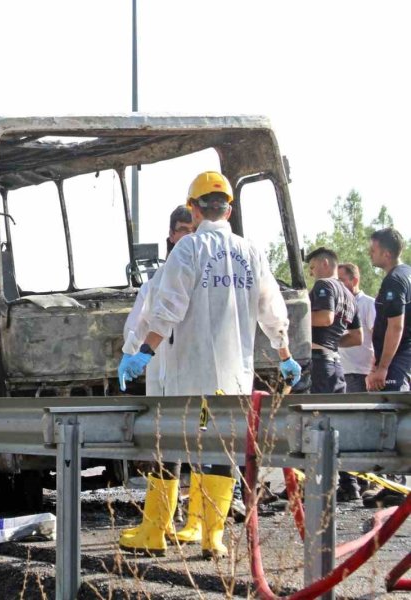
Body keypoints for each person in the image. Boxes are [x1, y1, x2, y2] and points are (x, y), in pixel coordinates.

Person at [117, 171, 300, 559]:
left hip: (186, 376)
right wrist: (284, 355)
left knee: (169, 445)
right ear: (228, 209)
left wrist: (143, 353)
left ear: (194, 209)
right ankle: (211, 537)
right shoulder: (251, 252)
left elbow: (167, 312)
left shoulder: (189, 250)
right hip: (233, 377)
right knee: (219, 448)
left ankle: (154, 532)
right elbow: (272, 310)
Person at [123, 205, 194, 396]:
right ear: (171, 235)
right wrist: (129, 352)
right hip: (160, 382)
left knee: (201, 424)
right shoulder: (155, 283)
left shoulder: (205, 284)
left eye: (193, 230)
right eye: (183, 230)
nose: (189, 236)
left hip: (195, 380)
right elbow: (136, 324)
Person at [307, 247, 361, 394]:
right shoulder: (350, 296)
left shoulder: (324, 284)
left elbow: (326, 318)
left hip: (318, 364)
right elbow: (357, 338)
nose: (310, 273)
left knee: (315, 414)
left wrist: (294, 319)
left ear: (325, 263)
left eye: (312, 267)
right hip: (336, 364)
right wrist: (331, 341)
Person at [367, 228, 411, 393]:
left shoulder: (394, 280)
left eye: (373, 250)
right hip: (400, 357)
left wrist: (383, 367)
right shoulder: (407, 272)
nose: (370, 254)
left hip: (398, 359)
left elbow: (395, 326)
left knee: (393, 410)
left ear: (386, 254)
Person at [338, 263, 377, 392]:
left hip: (361, 374)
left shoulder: (369, 304)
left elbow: (379, 338)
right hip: (341, 373)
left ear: (354, 281)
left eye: (341, 281)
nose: (338, 285)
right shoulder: (337, 305)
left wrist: (375, 369)